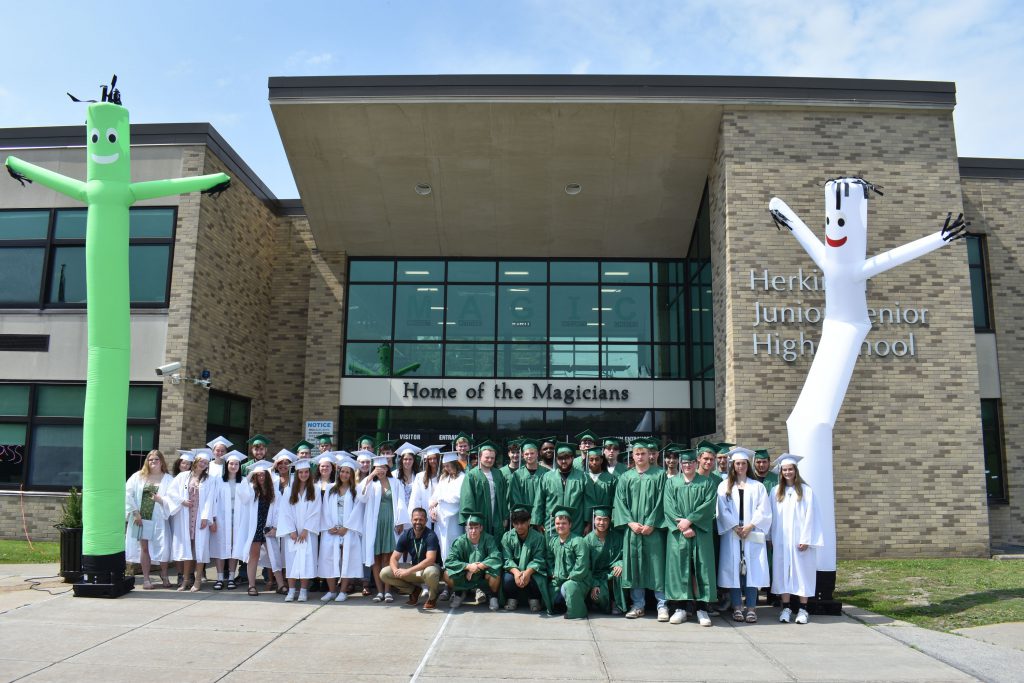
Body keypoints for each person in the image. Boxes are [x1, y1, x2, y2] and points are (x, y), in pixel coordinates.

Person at [613, 437, 668, 620]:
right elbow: (620, 503)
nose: (640, 456)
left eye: (643, 453)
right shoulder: (625, 477)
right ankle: (638, 605)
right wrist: (630, 522)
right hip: (633, 531)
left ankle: (662, 605)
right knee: (635, 566)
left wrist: (652, 523)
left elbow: (663, 502)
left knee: (657, 566)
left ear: (649, 455)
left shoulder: (660, 475)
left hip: (653, 531)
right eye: (637, 453)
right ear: (633, 455)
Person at [662, 449, 717, 627]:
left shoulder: (707, 483)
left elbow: (709, 506)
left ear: (697, 463)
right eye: (684, 463)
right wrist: (683, 526)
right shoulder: (672, 483)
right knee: (679, 568)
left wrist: (690, 521)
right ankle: (680, 608)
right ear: (680, 464)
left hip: (700, 533)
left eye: (691, 462)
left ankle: (702, 609)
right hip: (679, 534)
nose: (688, 465)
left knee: (702, 568)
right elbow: (668, 507)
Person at [717, 447, 772, 623]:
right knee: (733, 570)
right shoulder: (724, 485)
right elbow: (722, 509)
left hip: (752, 531)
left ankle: (751, 608)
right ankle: (737, 607)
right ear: (733, 466)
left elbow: (763, 509)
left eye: (743, 463)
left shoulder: (758, 486)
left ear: (747, 465)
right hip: (733, 532)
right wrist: (734, 526)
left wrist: (750, 526)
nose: (740, 466)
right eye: (737, 463)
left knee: (752, 570)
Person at [770, 454, 823, 625]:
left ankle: (803, 609)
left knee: (802, 573)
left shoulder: (807, 491)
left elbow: (811, 516)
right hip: (781, 540)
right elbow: (771, 516)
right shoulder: (776, 491)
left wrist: (806, 538)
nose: (787, 472)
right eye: (784, 470)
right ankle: (786, 607)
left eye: (790, 469)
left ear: (795, 471)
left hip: (800, 541)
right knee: (783, 573)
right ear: (781, 472)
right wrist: (770, 537)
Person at [360, 455, 410, 603]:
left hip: (390, 522)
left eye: (383, 468)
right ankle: (379, 591)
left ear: (387, 468)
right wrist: (370, 477)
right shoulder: (371, 483)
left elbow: (401, 501)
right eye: (377, 468)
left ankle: (388, 591)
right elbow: (361, 497)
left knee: (389, 557)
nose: (380, 471)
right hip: (374, 524)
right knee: (376, 558)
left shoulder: (395, 482)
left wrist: (400, 521)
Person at [167, 449, 217, 592]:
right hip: (185, 517)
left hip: (200, 518)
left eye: (206, 463)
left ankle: (197, 580)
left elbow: (210, 499)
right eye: (201, 461)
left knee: (199, 549)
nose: (203, 464)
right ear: (195, 461)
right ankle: (185, 581)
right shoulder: (183, 476)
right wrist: (181, 500)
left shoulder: (210, 479)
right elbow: (171, 491)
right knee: (187, 548)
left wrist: (206, 518)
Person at [319, 455, 365, 602]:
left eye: (347, 472)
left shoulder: (355, 490)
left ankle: (343, 591)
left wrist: (347, 527)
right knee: (328, 559)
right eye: (342, 471)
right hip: (331, 530)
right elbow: (324, 509)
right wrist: (329, 526)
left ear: (351, 475)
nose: (344, 474)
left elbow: (358, 510)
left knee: (347, 559)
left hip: (348, 530)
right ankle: (332, 591)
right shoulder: (331, 489)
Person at [125, 449, 174, 589]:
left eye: (156, 459)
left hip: (159, 519)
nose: (153, 462)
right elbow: (128, 495)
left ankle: (164, 575)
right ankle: (146, 579)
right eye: (150, 459)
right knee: (144, 548)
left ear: (161, 461)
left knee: (162, 547)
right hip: (141, 518)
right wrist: (135, 513)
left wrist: (161, 500)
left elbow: (173, 498)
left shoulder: (168, 479)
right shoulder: (138, 477)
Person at [381, 507, 442, 609]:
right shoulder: (406, 535)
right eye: (415, 519)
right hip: (416, 570)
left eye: (421, 520)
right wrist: (396, 570)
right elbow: (394, 558)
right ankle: (414, 591)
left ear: (426, 521)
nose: (418, 522)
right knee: (385, 573)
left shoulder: (431, 535)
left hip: (430, 569)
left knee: (430, 572)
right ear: (411, 520)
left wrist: (408, 571)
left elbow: (430, 560)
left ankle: (433, 597)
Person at [277, 459, 321, 602]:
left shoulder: (315, 489)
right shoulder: (289, 490)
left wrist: (306, 530)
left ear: (310, 473)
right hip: (293, 534)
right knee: (292, 561)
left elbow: (316, 512)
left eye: (306, 472)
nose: (303, 475)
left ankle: (303, 591)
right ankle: (291, 591)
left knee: (307, 561)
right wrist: (291, 531)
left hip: (308, 533)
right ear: (296, 474)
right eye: (300, 472)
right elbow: (285, 512)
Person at [443, 514, 503, 611]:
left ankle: (493, 596)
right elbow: (450, 561)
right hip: (465, 576)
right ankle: (459, 593)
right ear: (466, 528)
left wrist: (479, 566)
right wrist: (468, 566)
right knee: (446, 574)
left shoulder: (488, 539)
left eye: (476, 528)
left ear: (481, 528)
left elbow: (496, 557)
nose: (473, 531)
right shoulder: (460, 541)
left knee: (496, 572)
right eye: (470, 528)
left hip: (483, 576)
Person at [500, 506, 551, 612]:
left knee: (537, 579)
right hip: (514, 572)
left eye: (522, 523)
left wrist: (527, 572)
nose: (519, 526)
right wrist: (516, 572)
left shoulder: (539, 538)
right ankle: (512, 598)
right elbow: (507, 559)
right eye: (516, 523)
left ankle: (534, 599)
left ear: (529, 521)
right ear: (513, 524)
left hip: (532, 572)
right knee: (507, 579)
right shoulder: (507, 537)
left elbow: (539, 559)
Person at [210, 450, 248, 590]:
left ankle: (231, 577)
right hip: (221, 521)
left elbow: (247, 500)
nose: (233, 466)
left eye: (236, 464)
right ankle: (220, 578)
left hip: (237, 522)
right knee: (220, 549)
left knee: (234, 549)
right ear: (227, 465)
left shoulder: (244, 481)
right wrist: (212, 519)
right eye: (231, 463)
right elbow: (212, 501)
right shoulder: (218, 480)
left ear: (239, 466)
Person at [430, 452, 465, 600]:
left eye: (449, 466)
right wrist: (432, 507)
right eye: (445, 466)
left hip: (453, 521)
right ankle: (446, 586)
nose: (447, 468)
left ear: (455, 465)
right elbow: (434, 496)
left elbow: (457, 498)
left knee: (453, 552)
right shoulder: (444, 478)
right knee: (443, 553)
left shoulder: (462, 478)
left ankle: (456, 587)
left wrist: (440, 500)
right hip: (441, 521)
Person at [533, 442, 587, 537]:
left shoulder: (582, 477)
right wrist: (538, 522)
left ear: (572, 458)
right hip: (552, 524)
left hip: (576, 524)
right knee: (551, 550)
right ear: (556, 459)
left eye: (566, 458)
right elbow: (539, 501)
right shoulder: (547, 477)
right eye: (560, 458)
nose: (563, 461)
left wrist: (588, 524)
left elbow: (588, 502)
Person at [241, 461, 278, 596]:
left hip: (268, 527)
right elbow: (243, 497)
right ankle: (252, 585)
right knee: (254, 556)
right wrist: (249, 476)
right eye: (258, 475)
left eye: (263, 475)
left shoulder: (272, 490)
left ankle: (280, 584)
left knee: (274, 555)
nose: (261, 477)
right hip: (255, 527)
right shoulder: (251, 489)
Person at [458, 440, 507, 539]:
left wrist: (505, 517)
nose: (490, 460)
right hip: (479, 519)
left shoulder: (498, 474)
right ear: (479, 457)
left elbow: (504, 496)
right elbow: (467, 500)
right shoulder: (471, 475)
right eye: (487, 457)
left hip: (496, 517)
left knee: (496, 543)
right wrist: (471, 520)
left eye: (492, 458)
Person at [547, 506, 590, 619]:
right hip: (558, 579)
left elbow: (582, 564)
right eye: (557, 523)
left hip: (578, 580)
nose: (560, 526)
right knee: (550, 593)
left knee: (568, 586)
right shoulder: (554, 541)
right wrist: (552, 572)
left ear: (570, 525)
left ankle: (575, 612)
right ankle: (560, 606)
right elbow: (549, 558)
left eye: (564, 523)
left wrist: (571, 576)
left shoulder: (578, 541)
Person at [262, 449, 295, 593]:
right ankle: (281, 584)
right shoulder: (273, 480)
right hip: (272, 521)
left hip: (289, 522)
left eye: (286, 463)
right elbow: (263, 474)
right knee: (274, 553)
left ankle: (288, 581)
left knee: (288, 552)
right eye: (280, 464)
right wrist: (273, 465)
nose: (283, 466)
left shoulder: (295, 481)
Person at [583, 508, 625, 615]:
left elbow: (623, 555)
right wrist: (594, 584)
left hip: (611, 574)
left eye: (605, 519)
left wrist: (620, 564)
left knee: (620, 573)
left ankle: (617, 602)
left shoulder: (617, 537)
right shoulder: (587, 541)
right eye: (599, 519)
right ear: (594, 520)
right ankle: (597, 603)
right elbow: (584, 567)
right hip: (594, 577)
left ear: (610, 520)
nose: (601, 523)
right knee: (598, 597)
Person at [167, 450, 193, 588]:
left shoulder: (192, 477)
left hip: (188, 515)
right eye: (183, 462)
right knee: (177, 544)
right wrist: (181, 501)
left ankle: (188, 575)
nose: (186, 465)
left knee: (188, 545)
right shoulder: (172, 478)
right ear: (179, 463)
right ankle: (180, 574)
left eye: (189, 463)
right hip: (176, 514)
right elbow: (169, 494)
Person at [508, 439, 546, 520]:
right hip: (523, 518)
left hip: (543, 516)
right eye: (526, 454)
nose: (529, 456)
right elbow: (515, 498)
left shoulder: (546, 473)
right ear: (523, 456)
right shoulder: (517, 475)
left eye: (532, 453)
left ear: (537, 454)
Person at [583, 447, 616, 527]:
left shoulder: (611, 478)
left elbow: (614, 500)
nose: (594, 462)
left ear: (601, 460)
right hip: (584, 521)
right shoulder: (583, 478)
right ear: (587, 461)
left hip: (605, 520)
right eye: (591, 460)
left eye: (597, 459)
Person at [410, 445, 441, 527]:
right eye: (430, 459)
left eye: (435, 458)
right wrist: (416, 516)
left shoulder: (445, 476)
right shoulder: (420, 477)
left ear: (439, 459)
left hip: (442, 514)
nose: (432, 461)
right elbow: (415, 498)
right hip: (425, 515)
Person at [392, 442, 420, 510]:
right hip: (398, 511)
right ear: (401, 460)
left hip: (414, 511)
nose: (408, 461)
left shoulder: (418, 476)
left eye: (410, 459)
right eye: (405, 459)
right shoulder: (394, 475)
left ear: (413, 461)